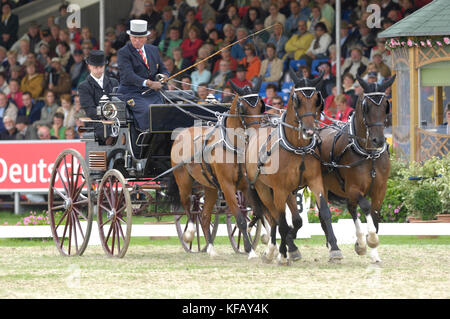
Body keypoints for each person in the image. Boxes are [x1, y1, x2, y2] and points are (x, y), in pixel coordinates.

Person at [116, 20, 169, 132]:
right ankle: (147, 138)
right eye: (134, 37)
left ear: (146, 38)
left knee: (164, 111)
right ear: (130, 37)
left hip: (152, 93)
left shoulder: (153, 50)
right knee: (147, 111)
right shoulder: (123, 53)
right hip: (131, 92)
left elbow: (163, 68)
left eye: (140, 38)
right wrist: (149, 83)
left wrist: (164, 76)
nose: (137, 40)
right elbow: (128, 75)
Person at [78, 50, 119, 144]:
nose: (99, 69)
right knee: (106, 129)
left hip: (115, 119)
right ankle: (111, 150)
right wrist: (107, 114)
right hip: (96, 121)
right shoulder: (84, 86)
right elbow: (90, 110)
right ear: (89, 67)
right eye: (95, 67)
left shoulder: (113, 82)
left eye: (101, 67)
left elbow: (119, 101)